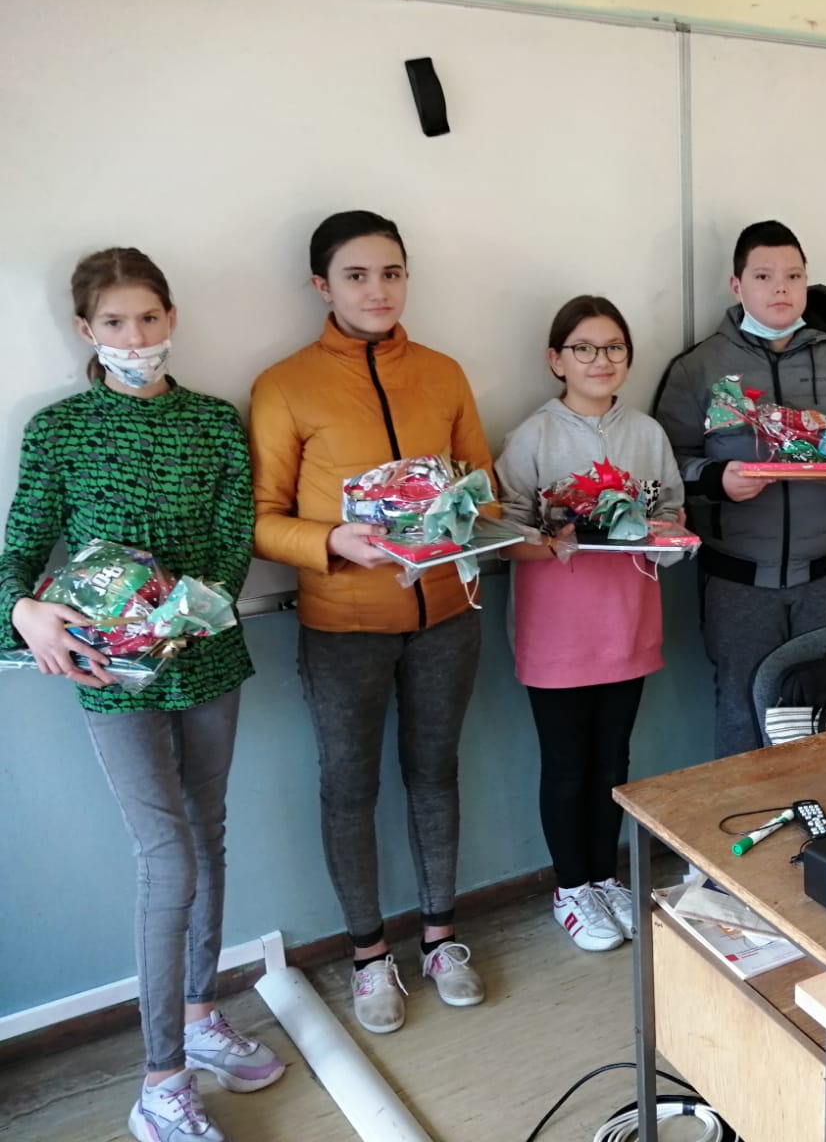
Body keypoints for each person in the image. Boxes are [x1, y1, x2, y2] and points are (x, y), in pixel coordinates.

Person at [0, 248, 283, 1142]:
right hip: (110, 679)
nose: (135, 338)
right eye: (115, 323)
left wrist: (186, 615)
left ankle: (199, 1018)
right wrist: (25, 613)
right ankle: (160, 1080)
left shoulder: (213, 423)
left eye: (149, 319)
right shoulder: (59, 431)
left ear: (172, 319)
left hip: (206, 661)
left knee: (209, 835)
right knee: (169, 861)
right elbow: (18, 555)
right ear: (86, 330)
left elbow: (232, 548)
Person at [250, 211, 494, 1034]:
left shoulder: (443, 372)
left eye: (391, 273)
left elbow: (483, 489)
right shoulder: (285, 385)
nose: (378, 290)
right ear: (322, 286)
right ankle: (366, 955)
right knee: (349, 788)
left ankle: (441, 939)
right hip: (342, 623)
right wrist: (332, 541)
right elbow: (262, 520)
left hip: (447, 615)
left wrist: (472, 520)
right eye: (356, 276)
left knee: (436, 774)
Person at [653, 221, 826, 757]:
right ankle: (742, 809)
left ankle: (818, 810)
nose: (780, 287)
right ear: (736, 286)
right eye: (763, 276)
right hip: (737, 579)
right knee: (742, 709)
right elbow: (665, 465)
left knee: (822, 709)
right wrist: (716, 480)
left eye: (793, 275)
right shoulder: (699, 367)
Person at [495, 295, 684, 953]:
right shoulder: (532, 436)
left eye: (613, 348)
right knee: (566, 765)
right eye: (583, 348)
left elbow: (672, 513)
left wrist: (665, 533)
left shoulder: (647, 434)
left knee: (614, 761)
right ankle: (571, 886)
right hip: (557, 630)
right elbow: (503, 536)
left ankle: (606, 877)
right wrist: (552, 539)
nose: (599, 360)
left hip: (627, 621)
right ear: (556, 360)